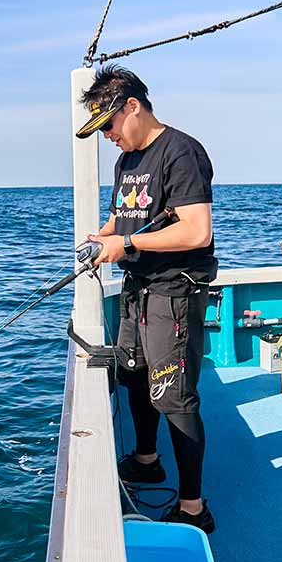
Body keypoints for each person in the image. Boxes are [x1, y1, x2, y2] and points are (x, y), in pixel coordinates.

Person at [76, 63, 218, 533]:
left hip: (174, 291)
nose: (108, 137)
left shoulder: (181, 152)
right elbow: (126, 217)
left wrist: (129, 245)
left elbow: (197, 231)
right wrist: (104, 236)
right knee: (134, 373)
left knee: (174, 396)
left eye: (110, 126)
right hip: (139, 288)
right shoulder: (126, 162)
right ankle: (146, 459)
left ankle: (195, 508)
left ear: (132, 106)